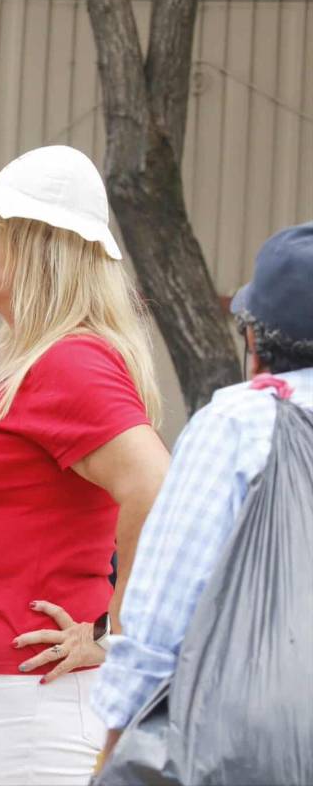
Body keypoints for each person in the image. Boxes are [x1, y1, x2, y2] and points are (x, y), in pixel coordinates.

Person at [0, 145, 172, 785]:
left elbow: (156, 486)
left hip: (28, 702)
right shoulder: (37, 356)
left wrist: (113, 634)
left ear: (37, 245)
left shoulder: (70, 360)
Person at [91, 222, 313, 765]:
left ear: (254, 339)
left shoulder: (240, 422)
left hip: (257, 744)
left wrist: (119, 736)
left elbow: (167, 601)